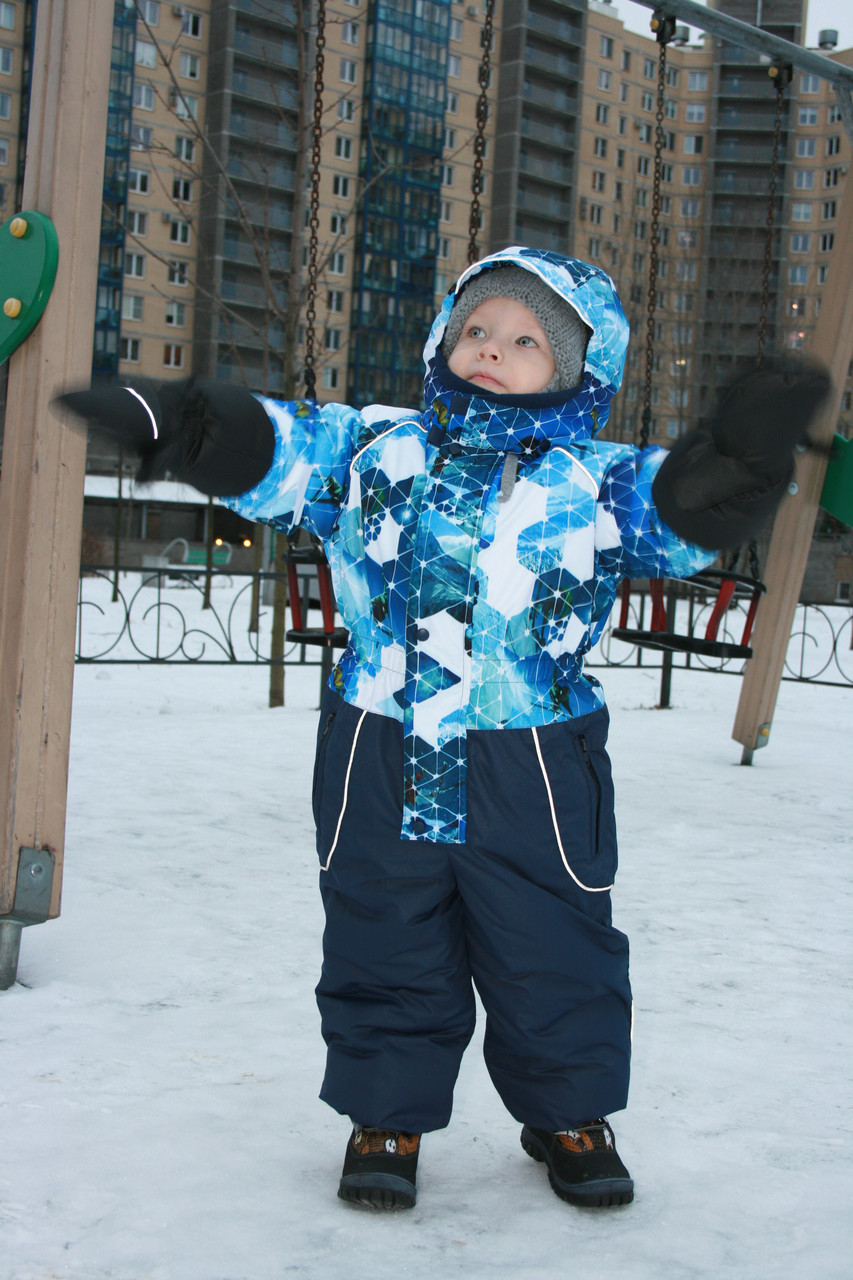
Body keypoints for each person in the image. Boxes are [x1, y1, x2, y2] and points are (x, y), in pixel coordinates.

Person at [57, 246, 829, 1213]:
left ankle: (569, 1113)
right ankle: (387, 1115)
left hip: (533, 761)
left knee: (552, 938)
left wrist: (738, 462)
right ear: (443, 340)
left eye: (524, 341)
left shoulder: (595, 481)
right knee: (384, 931)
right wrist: (186, 424)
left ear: (579, 371)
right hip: (376, 746)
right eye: (476, 329)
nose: (492, 350)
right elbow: (279, 449)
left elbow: (680, 513)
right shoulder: (375, 449)